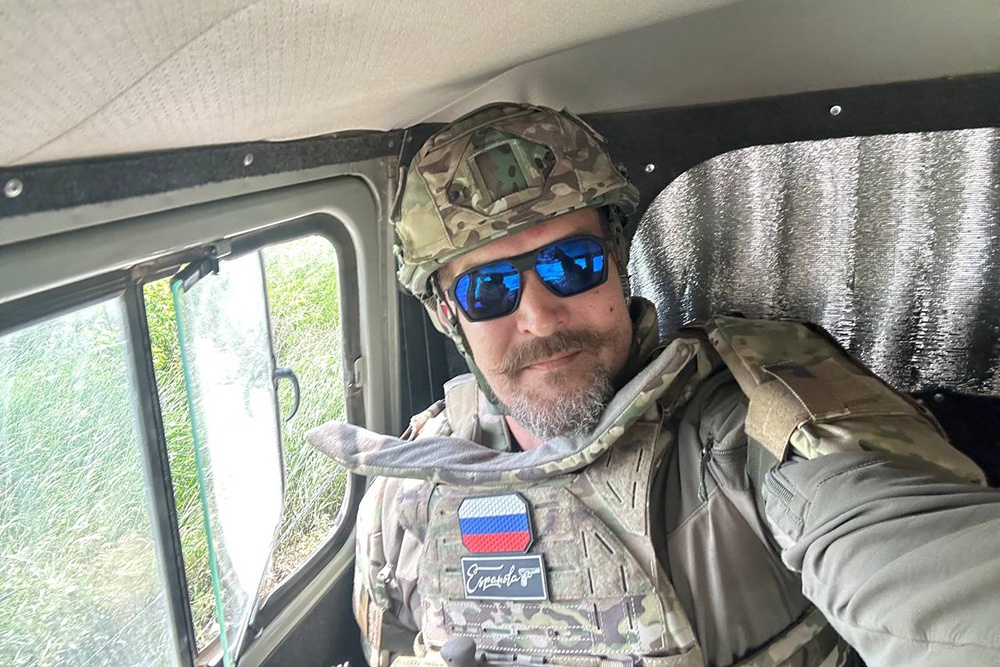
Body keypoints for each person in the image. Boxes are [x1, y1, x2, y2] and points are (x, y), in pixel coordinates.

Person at [308, 103, 1000, 667]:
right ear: (447, 315)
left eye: (572, 263)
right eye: (488, 288)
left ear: (616, 260)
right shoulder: (407, 494)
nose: (540, 316)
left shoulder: (750, 440)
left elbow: (919, 568)